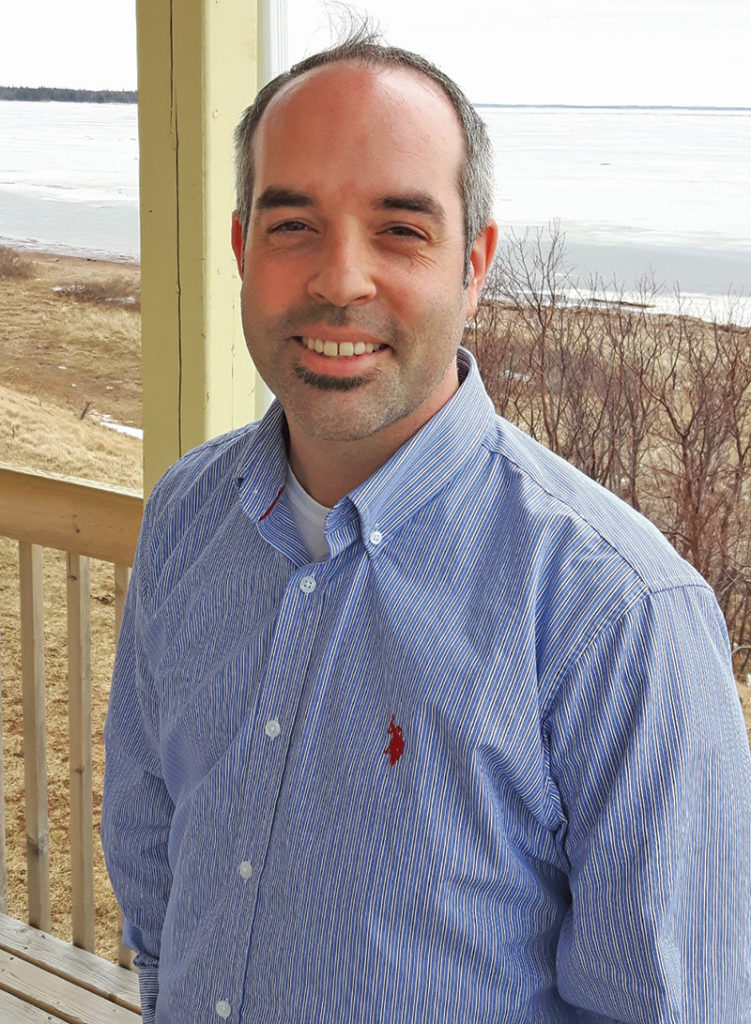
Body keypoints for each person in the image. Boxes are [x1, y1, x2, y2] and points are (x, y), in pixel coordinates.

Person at [101, 25, 751, 1024]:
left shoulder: (617, 616)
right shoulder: (187, 519)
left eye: (401, 229)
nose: (339, 280)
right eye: (291, 225)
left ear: (475, 263)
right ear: (240, 247)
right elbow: (155, 876)